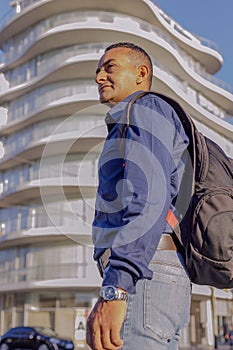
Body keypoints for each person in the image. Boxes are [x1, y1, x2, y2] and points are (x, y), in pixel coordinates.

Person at [86, 42, 191, 350]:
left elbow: (147, 199)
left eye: (110, 67)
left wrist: (117, 286)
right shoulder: (138, 116)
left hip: (145, 271)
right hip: (153, 270)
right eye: (98, 70)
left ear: (141, 73)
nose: (99, 77)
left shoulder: (144, 108)